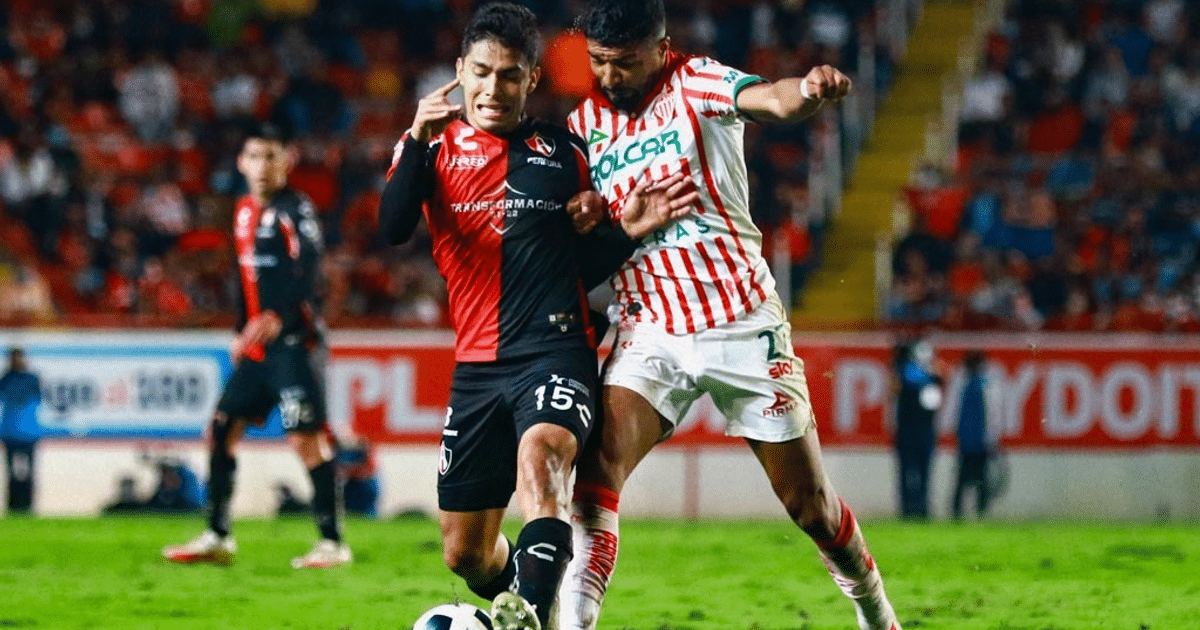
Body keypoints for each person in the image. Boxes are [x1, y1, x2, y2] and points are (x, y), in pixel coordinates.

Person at [557, 2, 904, 630]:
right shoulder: (583, 124)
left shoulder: (699, 80)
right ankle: (576, 622)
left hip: (740, 321)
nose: (609, 77)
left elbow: (771, 99)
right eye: (599, 63)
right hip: (649, 325)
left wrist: (808, 91)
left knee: (810, 507)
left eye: (624, 63)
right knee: (596, 469)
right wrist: (584, 213)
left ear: (659, 50)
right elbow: (586, 223)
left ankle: (874, 609)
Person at [377, 4, 697, 629]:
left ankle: (522, 613)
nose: (493, 88)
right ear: (460, 73)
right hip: (476, 367)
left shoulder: (563, 151)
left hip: (555, 352)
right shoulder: (429, 146)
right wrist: (416, 136)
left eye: (509, 75)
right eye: (481, 72)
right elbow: (390, 228)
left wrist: (624, 231)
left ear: (531, 82)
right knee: (465, 553)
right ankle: (525, 605)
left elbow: (583, 262)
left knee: (543, 460)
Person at [162, 122, 351, 569]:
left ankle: (332, 542)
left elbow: (309, 272)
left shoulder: (295, 210)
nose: (263, 166)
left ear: (288, 160)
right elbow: (243, 279)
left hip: (293, 344)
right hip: (258, 348)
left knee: (306, 440)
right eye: (255, 156)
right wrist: (240, 328)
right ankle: (218, 535)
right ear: (241, 163)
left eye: (272, 156)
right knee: (222, 428)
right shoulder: (244, 210)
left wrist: (274, 318)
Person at [892, 339, 944, 520]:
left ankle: (918, 508)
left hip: (919, 432)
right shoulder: (917, 374)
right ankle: (912, 509)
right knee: (913, 473)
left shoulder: (927, 376)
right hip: (912, 432)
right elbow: (911, 381)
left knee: (919, 473)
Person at [1, 348, 42, 514]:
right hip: (11, 432)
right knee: (11, 473)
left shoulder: (30, 379)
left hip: (27, 432)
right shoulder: (6, 379)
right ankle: (13, 506)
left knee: (30, 473)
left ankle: (28, 505)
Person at [951, 349, 991, 519]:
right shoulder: (976, 385)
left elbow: (989, 415)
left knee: (971, 481)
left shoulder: (977, 386)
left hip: (975, 442)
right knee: (973, 480)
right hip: (972, 442)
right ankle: (968, 512)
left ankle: (971, 511)